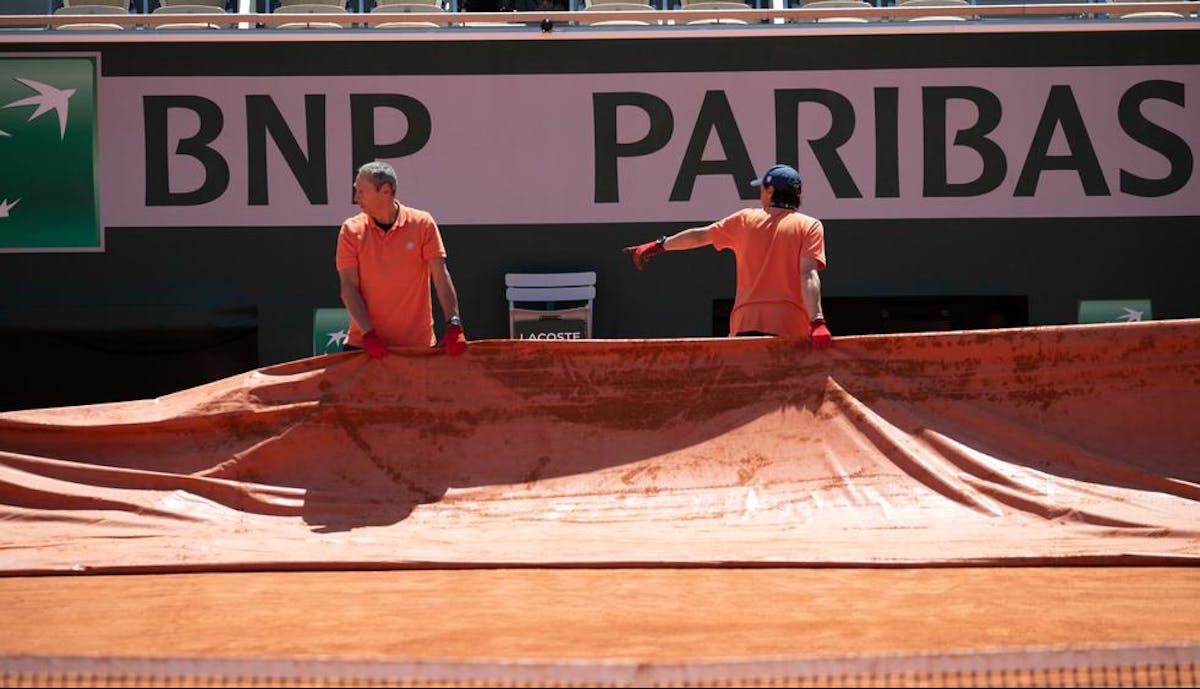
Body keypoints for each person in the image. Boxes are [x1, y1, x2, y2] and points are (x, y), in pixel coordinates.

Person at [622, 163, 833, 349]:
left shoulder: (744, 219)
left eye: (762, 189)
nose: (760, 195)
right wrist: (817, 321)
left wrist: (660, 244)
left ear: (770, 191)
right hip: (790, 326)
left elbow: (698, 237)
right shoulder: (810, 226)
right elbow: (808, 275)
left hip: (745, 325)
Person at [336, 160, 467, 358]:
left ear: (386, 190)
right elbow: (348, 287)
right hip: (364, 345)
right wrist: (368, 334)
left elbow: (440, 277)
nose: (356, 198)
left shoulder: (422, 224)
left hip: (415, 346)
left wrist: (454, 323)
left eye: (362, 191)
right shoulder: (350, 230)